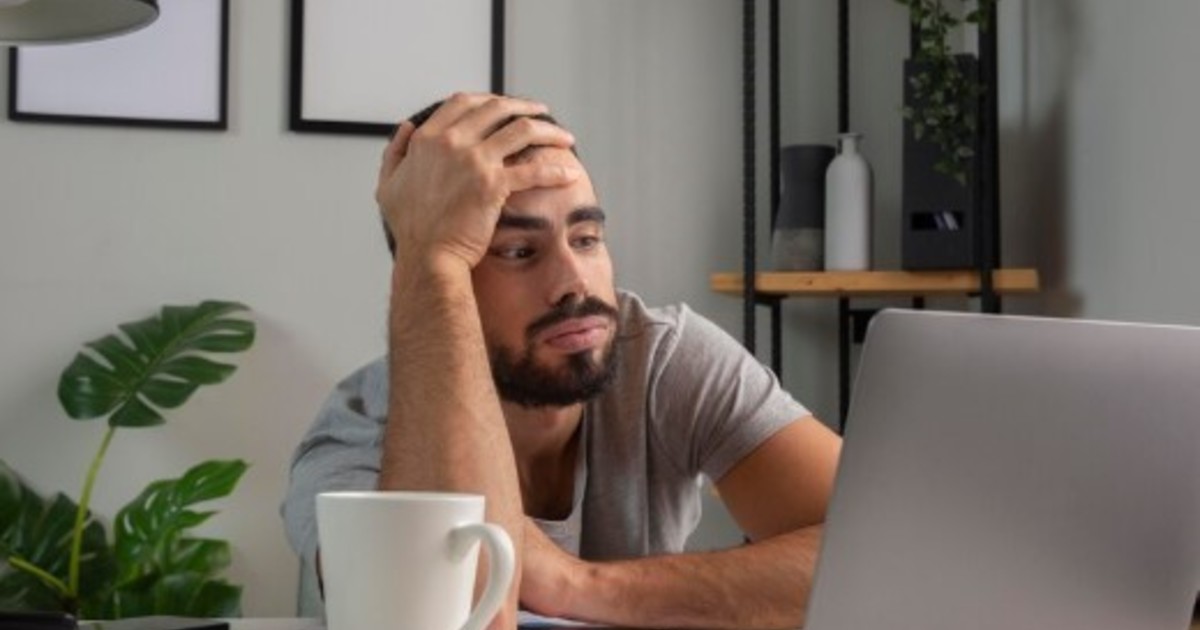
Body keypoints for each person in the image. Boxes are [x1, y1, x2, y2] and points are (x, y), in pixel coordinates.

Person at [282, 93, 842, 629]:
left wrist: (576, 584)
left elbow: (876, 554)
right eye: (519, 251)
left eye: (587, 238)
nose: (574, 282)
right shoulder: (359, 436)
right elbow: (465, 618)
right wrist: (431, 258)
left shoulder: (661, 357)